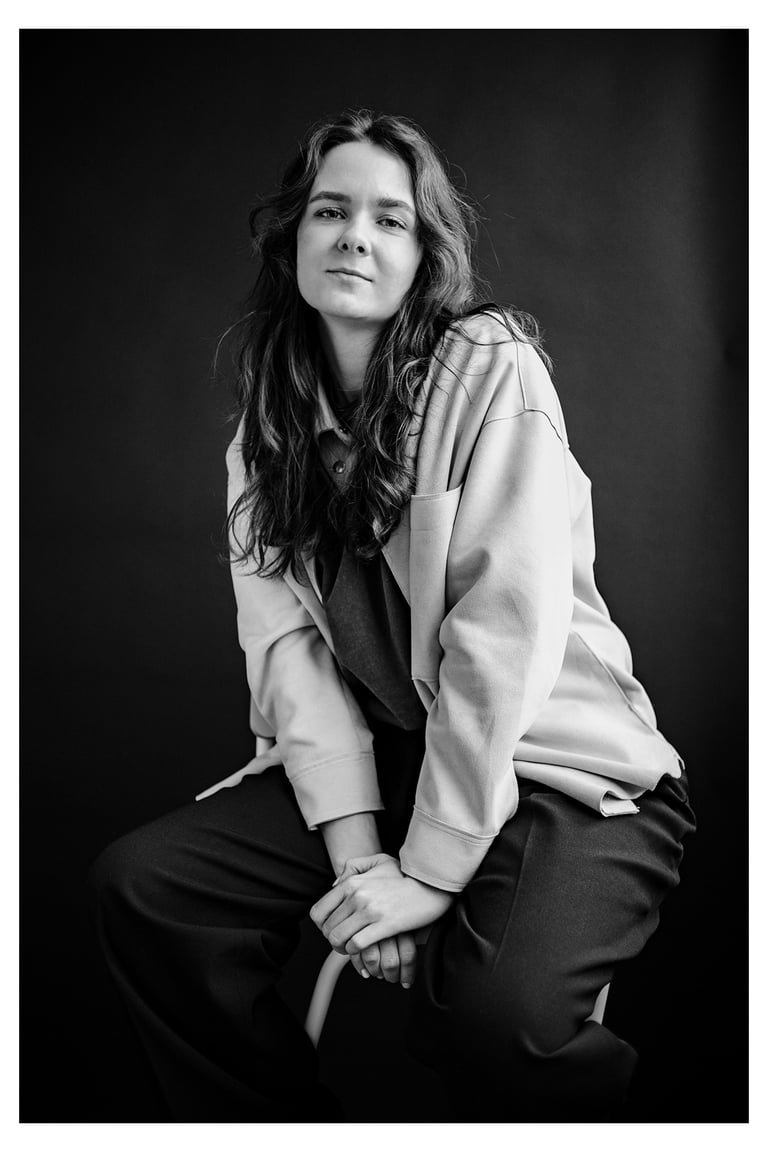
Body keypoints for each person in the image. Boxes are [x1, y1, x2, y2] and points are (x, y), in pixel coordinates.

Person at [87, 108, 696, 1122]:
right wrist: (362, 859)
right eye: (330, 211)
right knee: (148, 890)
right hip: (399, 766)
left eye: (389, 218)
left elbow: (502, 641)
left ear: (425, 255)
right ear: (293, 238)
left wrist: (428, 872)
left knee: (493, 1023)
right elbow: (290, 659)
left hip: (564, 777)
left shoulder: (492, 369)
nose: (355, 237)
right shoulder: (265, 434)